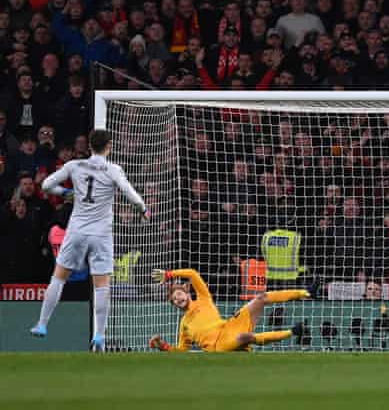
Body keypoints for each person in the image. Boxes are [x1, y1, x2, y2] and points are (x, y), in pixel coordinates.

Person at [30, 129, 150, 351]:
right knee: (101, 284)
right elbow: (128, 191)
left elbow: (46, 185)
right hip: (101, 234)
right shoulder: (113, 169)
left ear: (89, 147)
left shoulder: (75, 166)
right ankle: (99, 335)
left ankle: (42, 324)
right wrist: (142, 208)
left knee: (59, 277)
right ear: (108, 146)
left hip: (76, 231)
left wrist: (66, 193)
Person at [148, 268, 310, 352]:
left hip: (228, 327)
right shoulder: (185, 324)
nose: (178, 299)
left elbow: (192, 274)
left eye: (179, 295)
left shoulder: (204, 299)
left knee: (260, 298)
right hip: (218, 346)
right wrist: (165, 347)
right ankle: (293, 332)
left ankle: (303, 292)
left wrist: (169, 274)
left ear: (186, 291)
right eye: (175, 300)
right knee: (245, 337)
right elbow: (183, 350)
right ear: (174, 305)